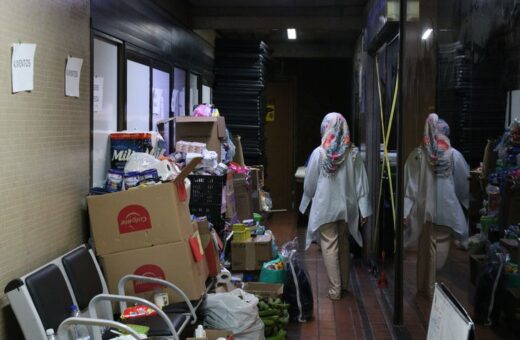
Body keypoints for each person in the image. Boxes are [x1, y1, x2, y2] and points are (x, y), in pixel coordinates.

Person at [299, 112, 372, 300]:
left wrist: (306, 200)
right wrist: (363, 208)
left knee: (329, 245)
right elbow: (360, 183)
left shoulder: (320, 153)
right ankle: (345, 285)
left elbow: (309, 184)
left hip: (325, 207)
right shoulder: (352, 153)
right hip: (346, 208)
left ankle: (335, 289)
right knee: (344, 244)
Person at [404, 113, 469, 297]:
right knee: (438, 249)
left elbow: (410, 186)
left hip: (424, 210)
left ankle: (422, 285)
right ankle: (432, 289)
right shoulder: (453, 155)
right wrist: (463, 201)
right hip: (445, 210)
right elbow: (463, 184)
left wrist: (405, 211)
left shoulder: (418, 155)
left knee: (424, 247)